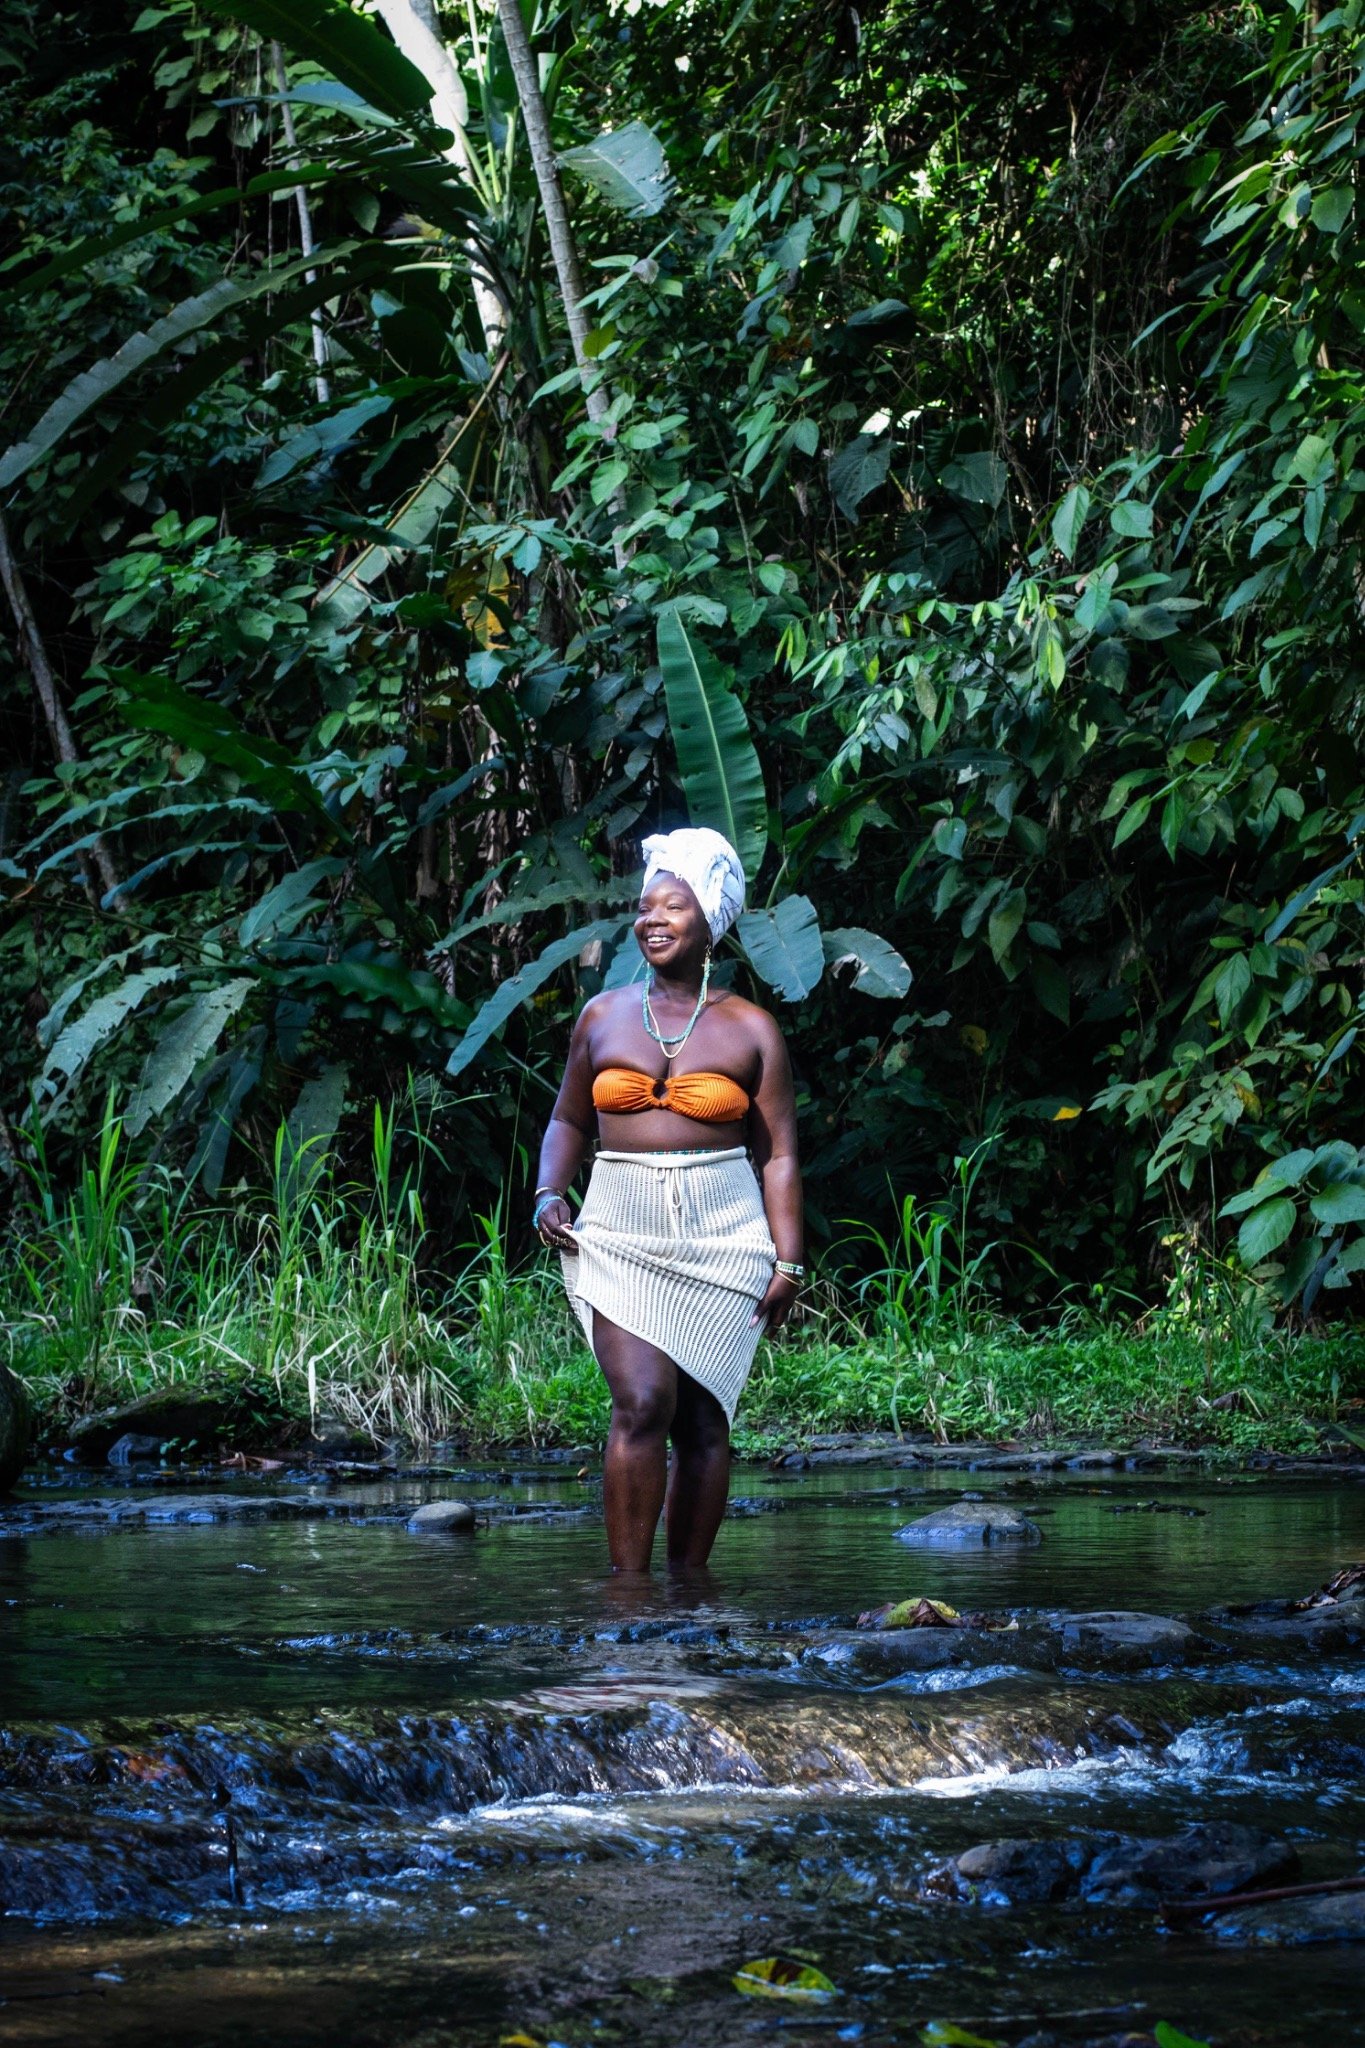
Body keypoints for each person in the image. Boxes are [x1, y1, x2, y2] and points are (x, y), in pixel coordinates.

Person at [532, 826, 804, 1573]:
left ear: (710, 918)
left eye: (671, 906)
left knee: (705, 1423)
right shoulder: (602, 1015)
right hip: (620, 1229)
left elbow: (776, 1153)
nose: (650, 918)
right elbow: (566, 1119)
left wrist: (791, 1263)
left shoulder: (752, 1029)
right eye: (644, 906)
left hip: (724, 1237)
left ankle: (688, 1598)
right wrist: (547, 1191)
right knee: (642, 1402)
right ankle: (627, 1597)